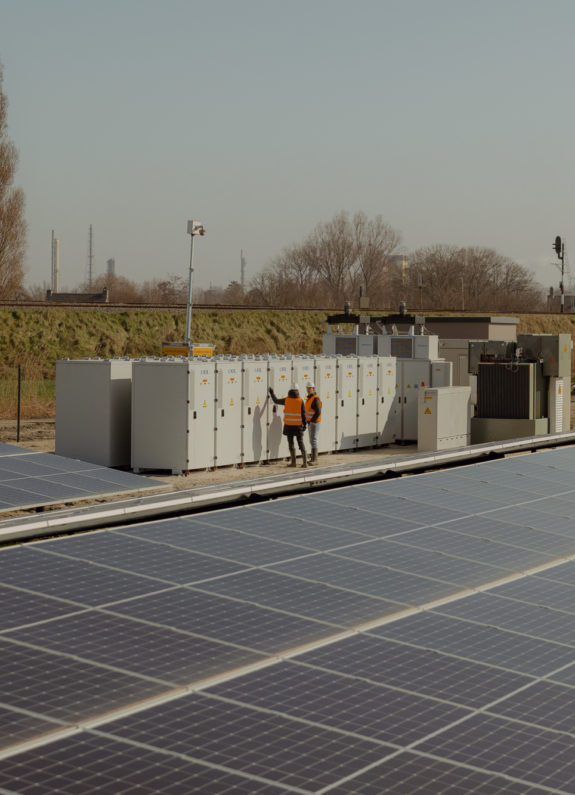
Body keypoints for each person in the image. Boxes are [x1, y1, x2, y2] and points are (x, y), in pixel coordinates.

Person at [268, 383, 307, 468]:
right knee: (301, 443)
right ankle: (305, 463)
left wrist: (271, 393)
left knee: (291, 444)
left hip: (289, 426)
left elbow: (276, 401)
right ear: (297, 391)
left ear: (290, 390)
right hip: (298, 426)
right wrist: (305, 424)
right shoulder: (300, 401)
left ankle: (293, 463)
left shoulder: (287, 400)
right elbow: (303, 414)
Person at [304, 381, 321, 465]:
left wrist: (312, 421)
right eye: (307, 388)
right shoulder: (309, 398)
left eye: (309, 388)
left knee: (313, 440)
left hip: (314, 423)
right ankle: (313, 459)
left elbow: (318, 411)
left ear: (313, 389)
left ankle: (315, 460)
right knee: (311, 440)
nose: (308, 389)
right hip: (310, 423)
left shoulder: (315, 398)